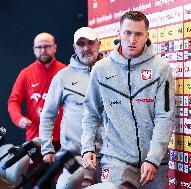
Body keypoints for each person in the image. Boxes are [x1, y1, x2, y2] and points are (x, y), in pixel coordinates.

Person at [81, 11, 175, 189]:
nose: (132, 40)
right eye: (127, 33)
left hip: (154, 162)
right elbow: (91, 113)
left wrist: (154, 159)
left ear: (146, 36)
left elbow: (165, 117)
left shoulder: (161, 68)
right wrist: (88, 147)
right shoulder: (101, 69)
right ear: (119, 33)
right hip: (116, 160)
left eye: (138, 34)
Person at [39, 27, 103, 189]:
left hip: (109, 156)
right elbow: (47, 115)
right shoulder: (62, 76)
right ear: (75, 48)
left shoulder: (112, 73)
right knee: (64, 186)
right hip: (74, 156)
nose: (86, 48)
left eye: (90, 43)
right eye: (81, 44)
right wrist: (47, 149)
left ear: (99, 45)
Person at [7, 32, 66, 178]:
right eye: (39, 47)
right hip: (36, 140)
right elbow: (13, 101)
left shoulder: (65, 72)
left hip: (63, 139)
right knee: (37, 181)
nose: (43, 50)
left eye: (46, 46)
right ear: (34, 50)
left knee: (64, 182)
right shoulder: (26, 74)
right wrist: (18, 118)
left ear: (55, 48)